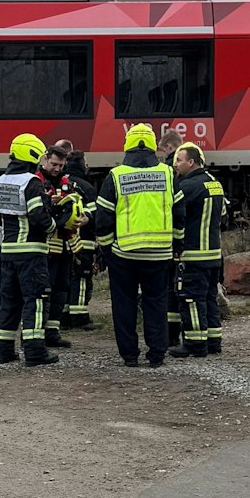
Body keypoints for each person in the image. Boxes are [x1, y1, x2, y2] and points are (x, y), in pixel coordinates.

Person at [93, 124, 180, 367]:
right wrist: (177, 245)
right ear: (153, 145)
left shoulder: (116, 175)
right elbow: (179, 212)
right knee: (156, 304)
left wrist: (107, 249)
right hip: (159, 255)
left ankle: (129, 356)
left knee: (124, 305)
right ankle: (157, 354)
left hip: (124, 255)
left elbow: (103, 217)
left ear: (127, 145)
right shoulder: (168, 173)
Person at [0, 132, 59, 367]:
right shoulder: (31, 182)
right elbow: (38, 215)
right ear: (32, 154)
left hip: (8, 252)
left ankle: (4, 351)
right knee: (35, 299)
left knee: (9, 301)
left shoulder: (0, 181)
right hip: (31, 252)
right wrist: (53, 226)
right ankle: (35, 351)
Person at [167, 144, 228, 359]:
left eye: (179, 160)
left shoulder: (187, 187)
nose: (175, 165)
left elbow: (174, 214)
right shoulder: (215, 184)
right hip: (214, 255)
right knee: (209, 298)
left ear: (191, 162)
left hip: (193, 255)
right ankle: (213, 341)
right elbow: (224, 215)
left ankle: (195, 343)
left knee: (191, 299)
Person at [38, 147, 82, 349]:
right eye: (54, 164)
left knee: (61, 290)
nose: (57, 169)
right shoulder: (36, 182)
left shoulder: (67, 183)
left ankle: (52, 332)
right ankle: (37, 333)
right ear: (45, 160)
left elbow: (78, 206)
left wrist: (82, 217)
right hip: (46, 248)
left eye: (61, 165)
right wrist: (50, 202)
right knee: (43, 291)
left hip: (66, 245)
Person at [52, 141, 99, 330]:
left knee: (63, 278)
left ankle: (62, 317)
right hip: (83, 241)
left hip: (61, 241)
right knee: (81, 277)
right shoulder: (87, 187)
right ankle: (80, 317)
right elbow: (96, 214)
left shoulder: (60, 183)